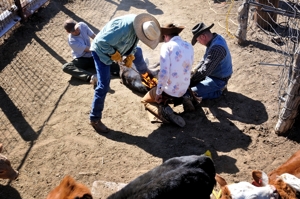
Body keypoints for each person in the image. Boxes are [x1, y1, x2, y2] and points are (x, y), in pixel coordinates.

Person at [89, 13, 161, 133]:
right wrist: (114, 54)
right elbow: (102, 42)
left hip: (117, 46)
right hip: (101, 52)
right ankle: (94, 119)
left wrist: (130, 55)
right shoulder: (122, 30)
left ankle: (145, 75)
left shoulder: (140, 25)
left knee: (138, 51)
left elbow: (133, 43)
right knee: (103, 86)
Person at [141, 23, 194, 127]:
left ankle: (166, 112)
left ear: (165, 36)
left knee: (145, 101)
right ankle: (185, 97)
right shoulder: (189, 46)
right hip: (184, 87)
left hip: (170, 91)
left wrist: (158, 92)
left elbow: (164, 73)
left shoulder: (166, 46)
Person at [188, 22, 233, 103]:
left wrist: (191, 81)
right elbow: (204, 60)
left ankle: (219, 90)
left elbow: (205, 70)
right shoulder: (215, 39)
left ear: (203, 36)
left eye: (198, 41)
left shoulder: (216, 48)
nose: (199, 43)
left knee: (189, 93)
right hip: (213, 74)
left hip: (219, 79)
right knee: (192, 85)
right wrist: (194, 70)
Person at [62, 19, 97, 84]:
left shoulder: (82, 25)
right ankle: (91, 77)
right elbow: (89, 49)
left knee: (111, 63)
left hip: (92, 55)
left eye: (77, 28)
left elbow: (94, 36)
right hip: (81, 58)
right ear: (68, 32)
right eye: (74, 31)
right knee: (66, 67)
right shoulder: (72, 41)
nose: (77, 31)